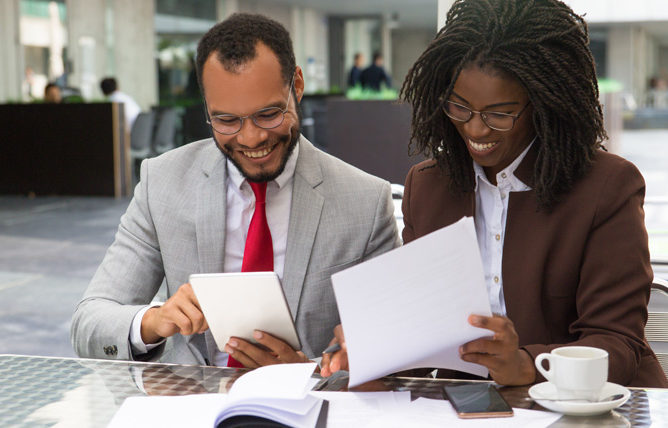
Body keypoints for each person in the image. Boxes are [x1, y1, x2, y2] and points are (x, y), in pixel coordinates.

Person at [323, 0, 668, 388]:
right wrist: (375, 352)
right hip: (468, 407)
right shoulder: (429, 187)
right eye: (460, 108)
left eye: (499, 114)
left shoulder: (607, 187)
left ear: (543, 104)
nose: (476, 130)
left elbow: (618, 345)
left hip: (588, 408)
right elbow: (424, 338)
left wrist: (527, 365)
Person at [71, 13, 399, 368]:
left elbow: (390, 341)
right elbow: (89, 324)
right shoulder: (162, 183)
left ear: (297, 86)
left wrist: (306, 372)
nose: (251, 137)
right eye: (227, 120)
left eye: (269, 113)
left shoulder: (365, 202)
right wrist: (153, 321)